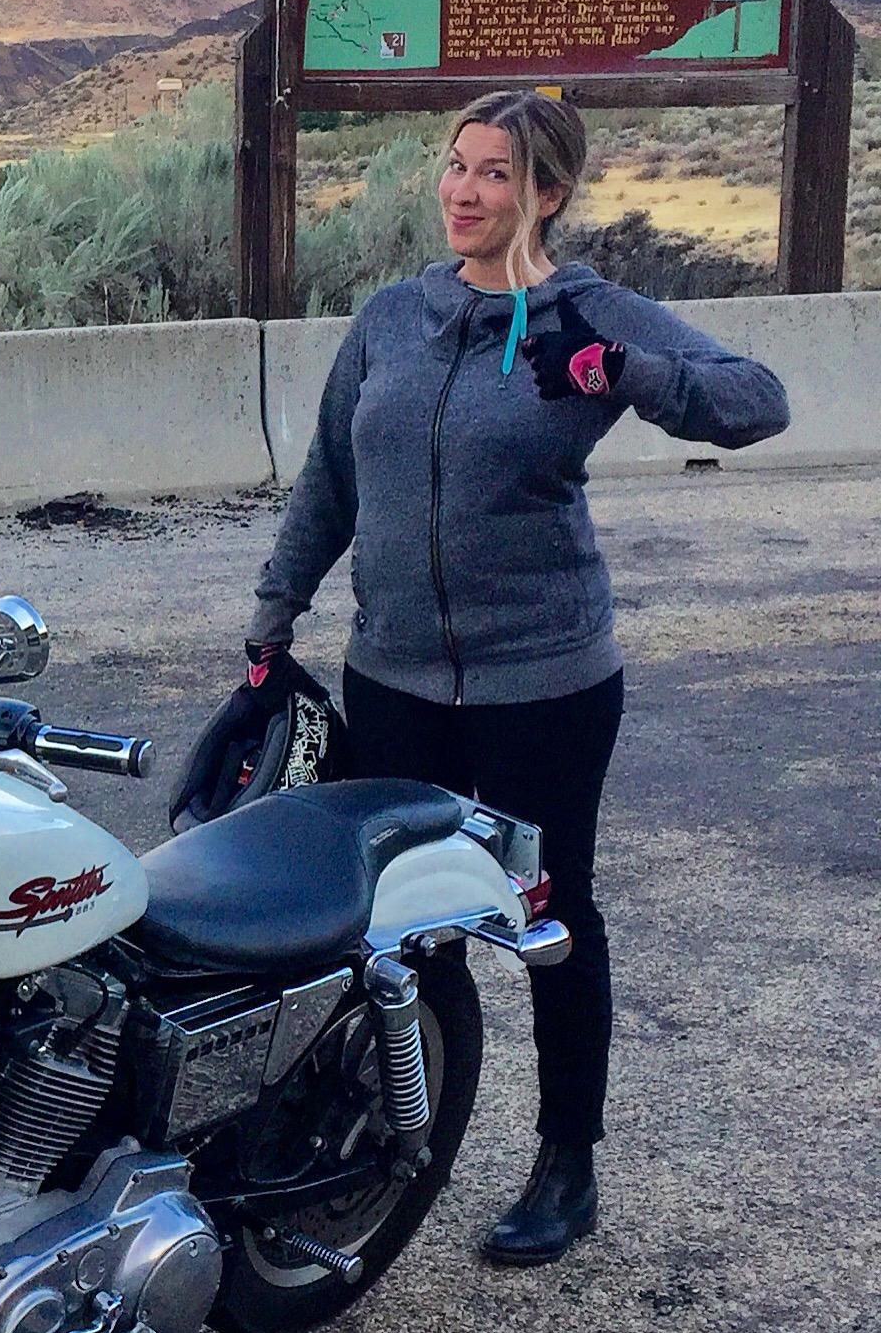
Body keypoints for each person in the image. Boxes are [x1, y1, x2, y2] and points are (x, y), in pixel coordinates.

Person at [243, 89, 789, 1264]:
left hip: (542, 687)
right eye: (455, 167)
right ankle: (374, 1152)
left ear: (546, 194)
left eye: (495, 174)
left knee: (548, 919)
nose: (464, 191)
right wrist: (273, 614)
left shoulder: (589, 312)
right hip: (391, 680)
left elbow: (757, 399)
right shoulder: (393, 317)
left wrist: (619, 369)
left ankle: (565, 1166)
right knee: (390, 931)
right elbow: (332, 483)